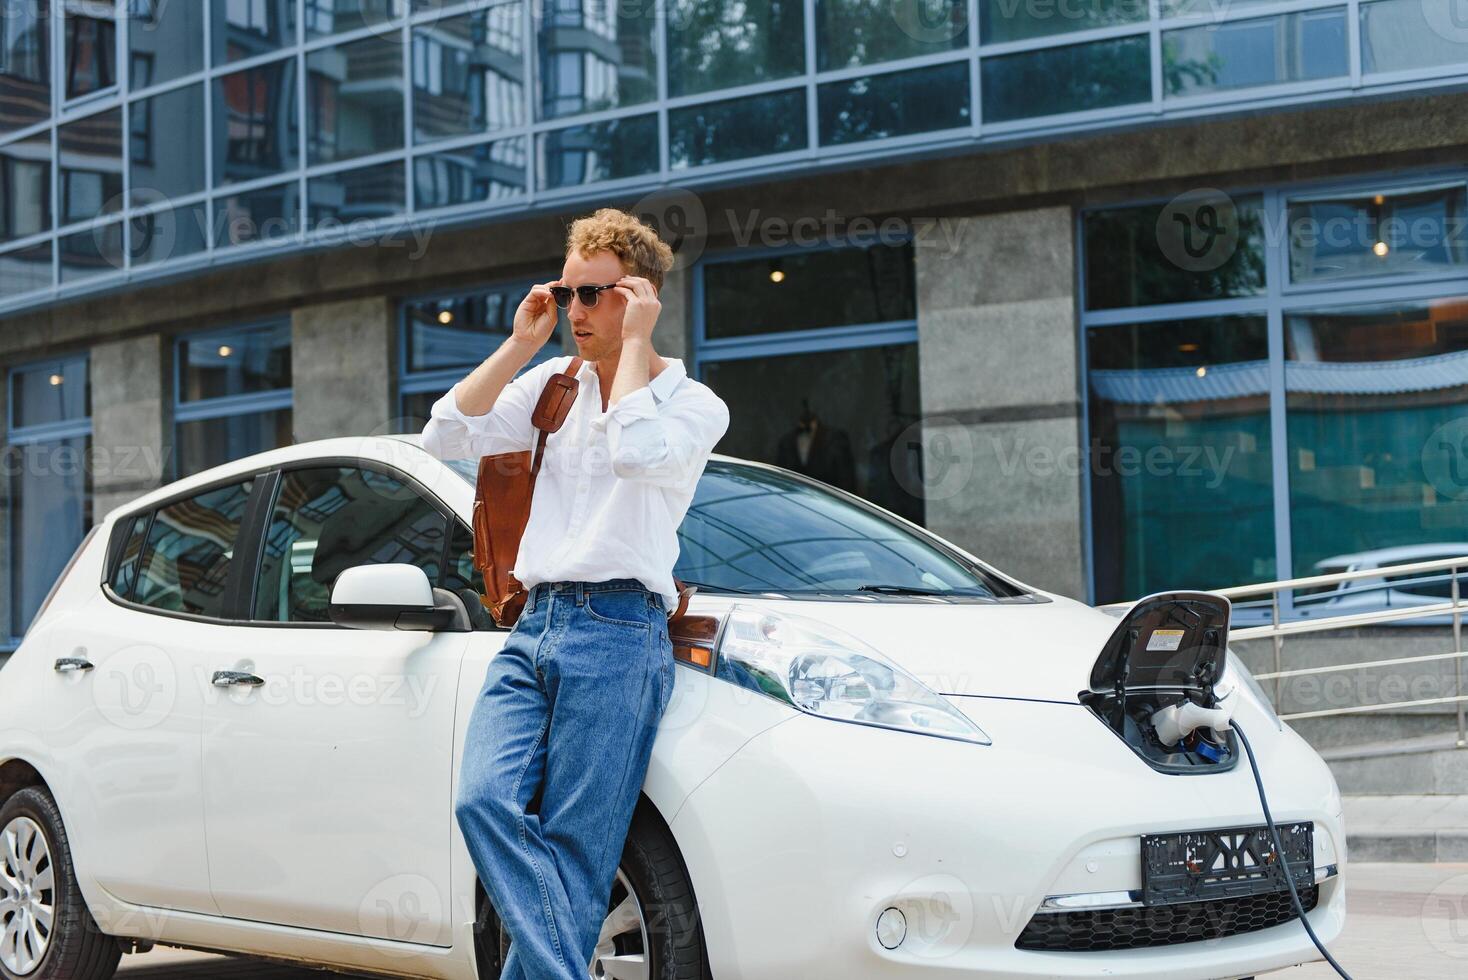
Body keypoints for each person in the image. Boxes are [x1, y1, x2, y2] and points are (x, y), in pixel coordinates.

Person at [420, 207, 729, 980]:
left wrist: (629, 351)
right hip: (536, 624)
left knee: (577, 854)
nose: (577, 313)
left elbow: (634, 453)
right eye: (570, 294)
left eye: (596, 295)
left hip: (620, 632)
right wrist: (522, 341)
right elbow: (444, 437)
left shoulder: (695, 405)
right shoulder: (549, 385)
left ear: (642, 297)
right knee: (482, 802)